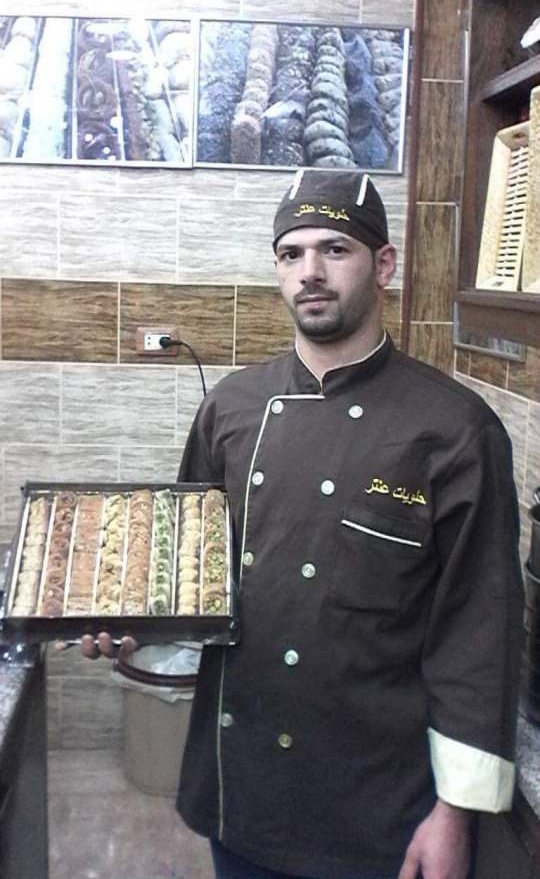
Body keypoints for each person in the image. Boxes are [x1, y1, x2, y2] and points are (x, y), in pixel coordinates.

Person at [83, 170, 524, 879]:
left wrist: (454, 813)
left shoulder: (454, 429)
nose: (309, 272)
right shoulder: (231, 407)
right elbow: (185, 567)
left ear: (383, 265)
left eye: (334, 249)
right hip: (245, 787)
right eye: (291, 254)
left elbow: (478, 631)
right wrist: (135, 617)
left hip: (380, 801)